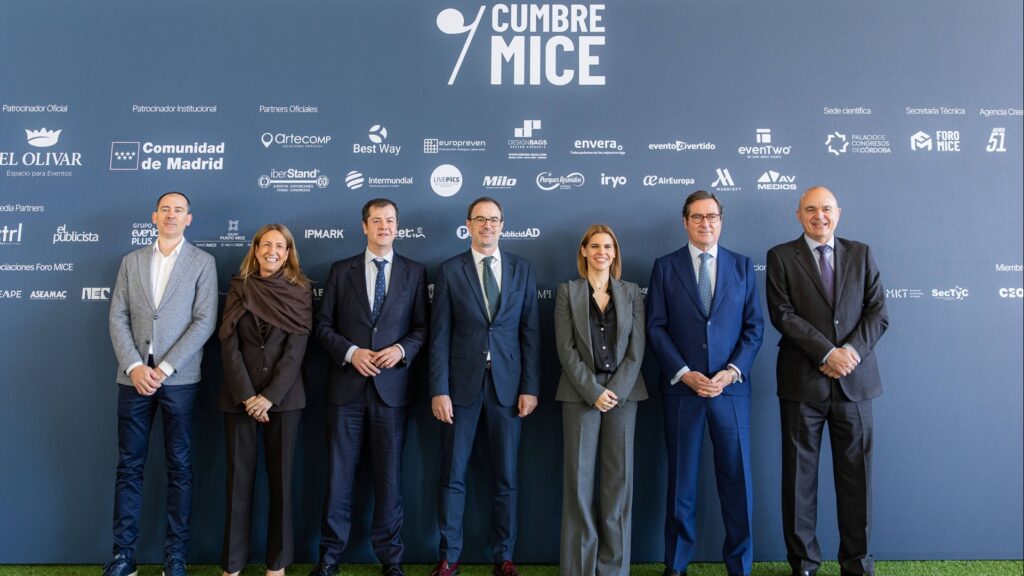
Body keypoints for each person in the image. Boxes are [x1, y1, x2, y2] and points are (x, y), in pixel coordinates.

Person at [766, 186, 888, 576]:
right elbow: (782, 315)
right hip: (803, 384)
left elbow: (878, 312)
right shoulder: (780, 256)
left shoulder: (861, 253)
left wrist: (848, 353)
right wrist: (826, 353)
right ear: (798, 214)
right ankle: (804, 564)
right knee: (799, 480)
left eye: (826, 209)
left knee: (858, 481)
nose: (819, 216)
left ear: (838, 213)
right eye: (811, 209)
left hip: (855, 384)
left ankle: (858, 563)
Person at [647, 190, 764, 576]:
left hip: (731, 392)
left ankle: (740, 566)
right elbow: (656, 327)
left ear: (721, 220)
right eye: (697, 216)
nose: (705, 223)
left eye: (712, 216)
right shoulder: (665, 267)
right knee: (681, 483)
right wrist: (684, 372)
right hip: (683, 391)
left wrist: (731, 372)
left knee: (737, 482)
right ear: (685, 222)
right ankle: (676, 565)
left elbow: (754, 327)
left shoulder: (742, 266)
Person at [309, 199, 428, 576]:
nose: (384, 226)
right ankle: (329, 558)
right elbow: (322, 326)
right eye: (376, 221)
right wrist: (351, 352)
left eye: (390, 220)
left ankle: (391, 560)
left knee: (390, 481)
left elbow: (422, 328)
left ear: (398, 226)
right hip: (345, 392)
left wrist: (400, 350)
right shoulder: (340, 270)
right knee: (338, 479)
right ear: (364, 226)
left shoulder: (414, 271)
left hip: (392, 394)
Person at [105, 191, 218, 576]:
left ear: (189, 218)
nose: (172, 215)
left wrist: (166, 368)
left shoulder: (203, 262)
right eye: (165, 210)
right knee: (129, 467)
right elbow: (117, 316)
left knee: (180, 468)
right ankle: (124, 555)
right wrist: (135, 366)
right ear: (154, 216)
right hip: (133, 380)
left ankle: (175, 556)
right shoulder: (131, 261)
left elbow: (204, 321)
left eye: (179, 210)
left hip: (180, 380)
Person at [428, 197, 540, 576]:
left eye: (493, 219)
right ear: (468, 225)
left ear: (502, 225)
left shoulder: (522, 269)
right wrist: (439, 389)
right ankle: (449, 557)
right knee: (452, 476)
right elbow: (439, 335)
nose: (487, 225)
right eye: (480, 219)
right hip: (460, 389)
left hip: (508, 390)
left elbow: (530, 334)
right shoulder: (450, 270)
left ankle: (504, 556)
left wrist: (530, 387)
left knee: (506, 477)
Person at [218, 224, 313, 576]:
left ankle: (277, 565)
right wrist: (247, 395)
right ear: (256, 250)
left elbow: (296, 350)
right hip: (238, 398)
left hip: (284, 400)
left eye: (280, 246)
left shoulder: (300, 291)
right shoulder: (239, 287)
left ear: (288, 254)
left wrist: (269, 397)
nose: (272, 251)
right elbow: (228, 343)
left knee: (282, 483)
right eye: (266, 245)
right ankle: (232, 566)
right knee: (237, 484)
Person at [554, 224, 647, 576]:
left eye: (608, 247)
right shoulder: (568, 291)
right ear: (584, 250)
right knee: (579, 484)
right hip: (580, 394)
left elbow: (637, 349)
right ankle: (579, 568)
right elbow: (565, 349)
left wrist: (615, 391)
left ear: (615, 252)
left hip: (624, 395)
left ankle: (613, 569)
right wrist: (593, 391)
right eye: (595, 246)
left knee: (618, 484)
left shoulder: (632, 292)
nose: (602, 252)